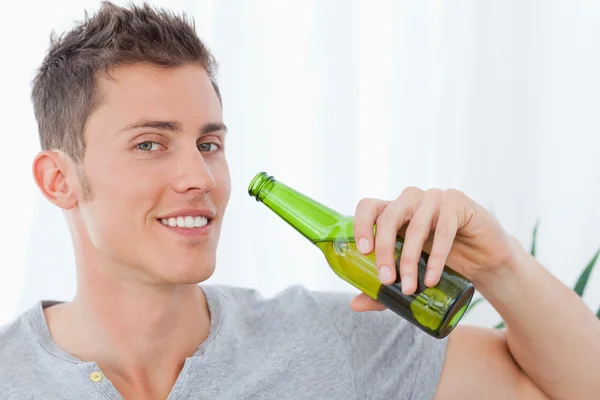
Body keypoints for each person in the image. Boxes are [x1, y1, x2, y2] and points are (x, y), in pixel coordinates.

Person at [0, 2, 598, 399]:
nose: (199, 176)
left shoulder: (333, 342)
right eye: (151, 143)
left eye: (209, 143)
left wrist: (500, 265)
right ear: (59, 180)